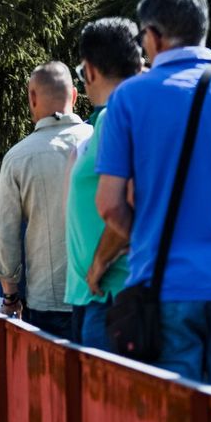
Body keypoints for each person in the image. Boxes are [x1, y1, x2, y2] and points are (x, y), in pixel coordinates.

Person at [93, 0, 211, 394]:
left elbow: (108, 204)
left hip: (164, 288)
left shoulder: (129, 99)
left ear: (155, 36)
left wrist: (145, 236)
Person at [0, 63, 92, 337]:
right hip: (102, 294)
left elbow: (5, 234)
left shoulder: (18, 156)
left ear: (31, 98)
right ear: (73, 95)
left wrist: (11, 295)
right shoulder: (101, 139)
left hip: (48, 297)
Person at [66, 18, 142, 349]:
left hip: (110, 293)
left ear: (90, 71)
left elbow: (128, 202)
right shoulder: (114, 117)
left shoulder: (116, 116)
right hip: (102, 294)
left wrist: (98, 265)